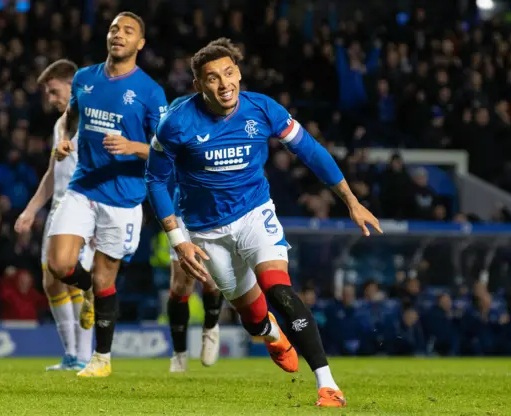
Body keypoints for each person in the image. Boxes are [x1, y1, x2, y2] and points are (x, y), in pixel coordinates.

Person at [145, 38, 382, 407]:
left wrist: (351, 201)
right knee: (254, 318)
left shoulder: (263, 109)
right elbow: (156, 180)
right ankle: (271, 333)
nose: (224, 84)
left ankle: (327, 383)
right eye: (212, 78)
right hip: (206, 231)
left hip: (255, 214)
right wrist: (179, 240)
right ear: (197, 85)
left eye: (228, 73)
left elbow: (311, 151)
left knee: (280, 290)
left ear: (239, 73)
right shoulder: (175, 123)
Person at [47, 11, 167, 377]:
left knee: (105, 281)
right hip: (83, 186)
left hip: (124, 196)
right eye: (115, 28)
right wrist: (66, 141)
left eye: (128, 31)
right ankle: (85, 292)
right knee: (59, 264)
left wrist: (133, 146)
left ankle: (102, 359)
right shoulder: (84, 78)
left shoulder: (150, 91)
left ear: (140, 44)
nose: (119, 34)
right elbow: (71, 116)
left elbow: (169, 149)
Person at [14, 59, 94, 371]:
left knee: (74, 279)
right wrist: (31, 210)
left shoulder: (91, 121)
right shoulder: (59, 125)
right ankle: (72, 355)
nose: (50, 99)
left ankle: (84, 356)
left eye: (54, 91)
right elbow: (52, 173)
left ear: (73, 87)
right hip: (58, 209)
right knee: (52, 281)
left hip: (83, 208)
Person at [167, 184, 223, 372]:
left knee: (211, 279)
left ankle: (211, 327)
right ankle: (179, 353)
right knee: (181, 283)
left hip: (218, 209)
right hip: (182, 208)